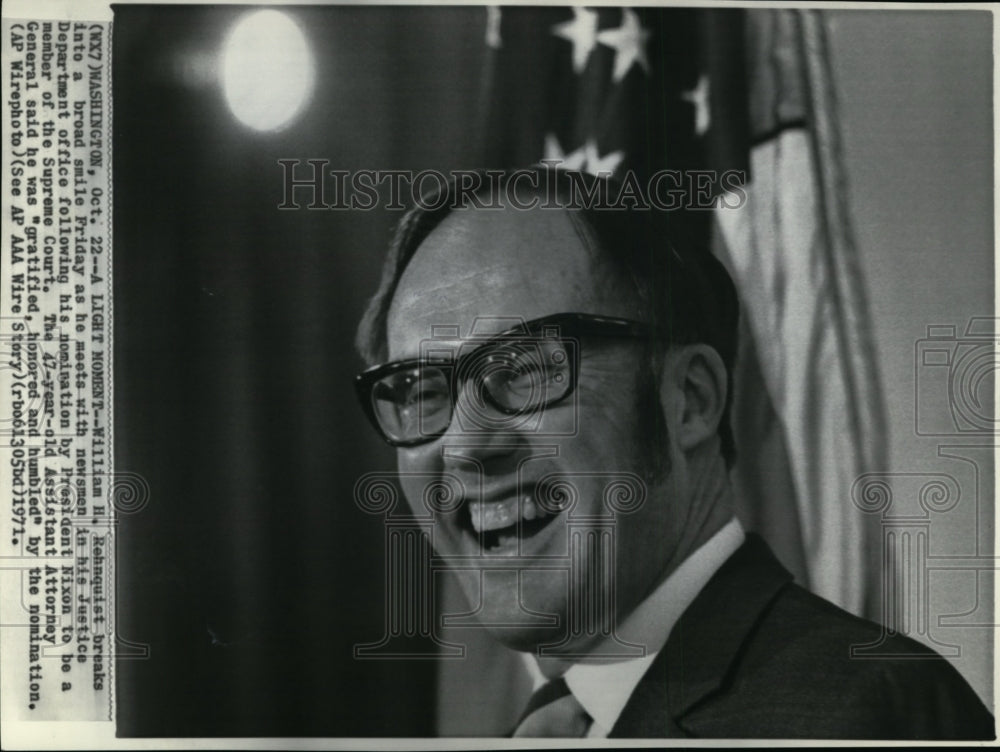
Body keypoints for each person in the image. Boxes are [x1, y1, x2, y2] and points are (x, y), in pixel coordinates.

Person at [352, 167, 994, 739]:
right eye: (420, 389)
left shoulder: (864, 717)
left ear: (689, 399)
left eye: (522, 369)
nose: (464, 444)